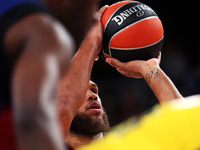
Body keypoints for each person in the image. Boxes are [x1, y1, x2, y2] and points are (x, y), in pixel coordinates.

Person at [57, 5, 183, 149]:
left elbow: (188, 130)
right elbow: (62, 110)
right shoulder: (41, 143)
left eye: (94, 90)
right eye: (79, 94)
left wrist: (150, 69)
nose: (92, 96)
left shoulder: (130, 144)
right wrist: (91, 42)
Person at [0, 0, 102, 149]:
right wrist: (92, 42)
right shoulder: (45, 31)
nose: (94, 19)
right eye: (92, 5)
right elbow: (32, 120)